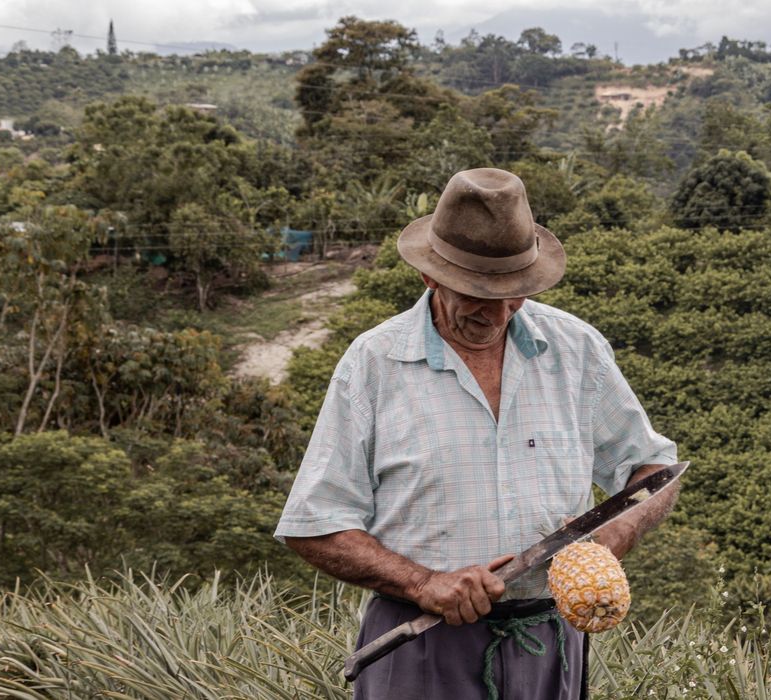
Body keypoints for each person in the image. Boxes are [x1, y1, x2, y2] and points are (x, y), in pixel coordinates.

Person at [276, 167, 678, 699]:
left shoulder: (576, 350)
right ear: (430, 276)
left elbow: (655, 471)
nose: (496, 313)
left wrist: (615, 534)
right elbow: (315, 523)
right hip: (423, 646)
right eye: (475, 293)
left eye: (513, 293)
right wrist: (424, 583)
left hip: (549, 641)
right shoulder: (374, 363)